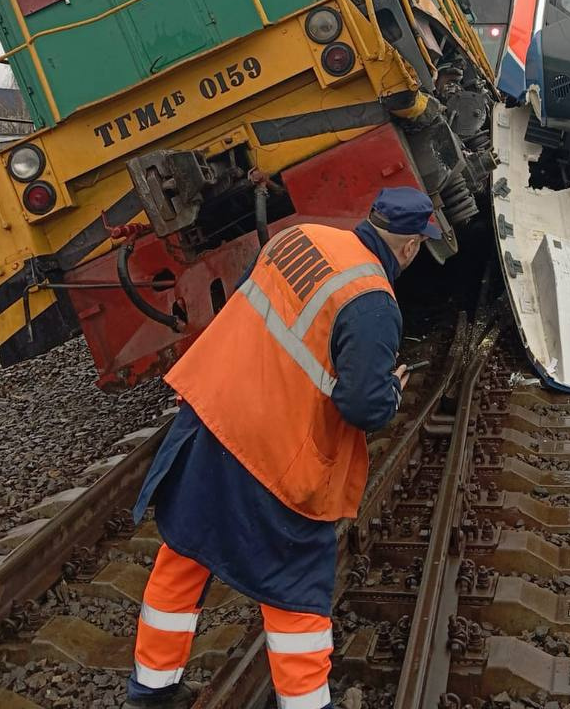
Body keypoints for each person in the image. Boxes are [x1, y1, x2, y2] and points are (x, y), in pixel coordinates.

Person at [122, 186, 442, 709]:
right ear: (409, 247)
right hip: (274, 457)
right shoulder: (373, 301)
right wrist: (391, 390)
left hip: (210, 418)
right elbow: (362, 407)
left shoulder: (299, 238)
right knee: (296, 598)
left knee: (182, 555)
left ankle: (151, 692)